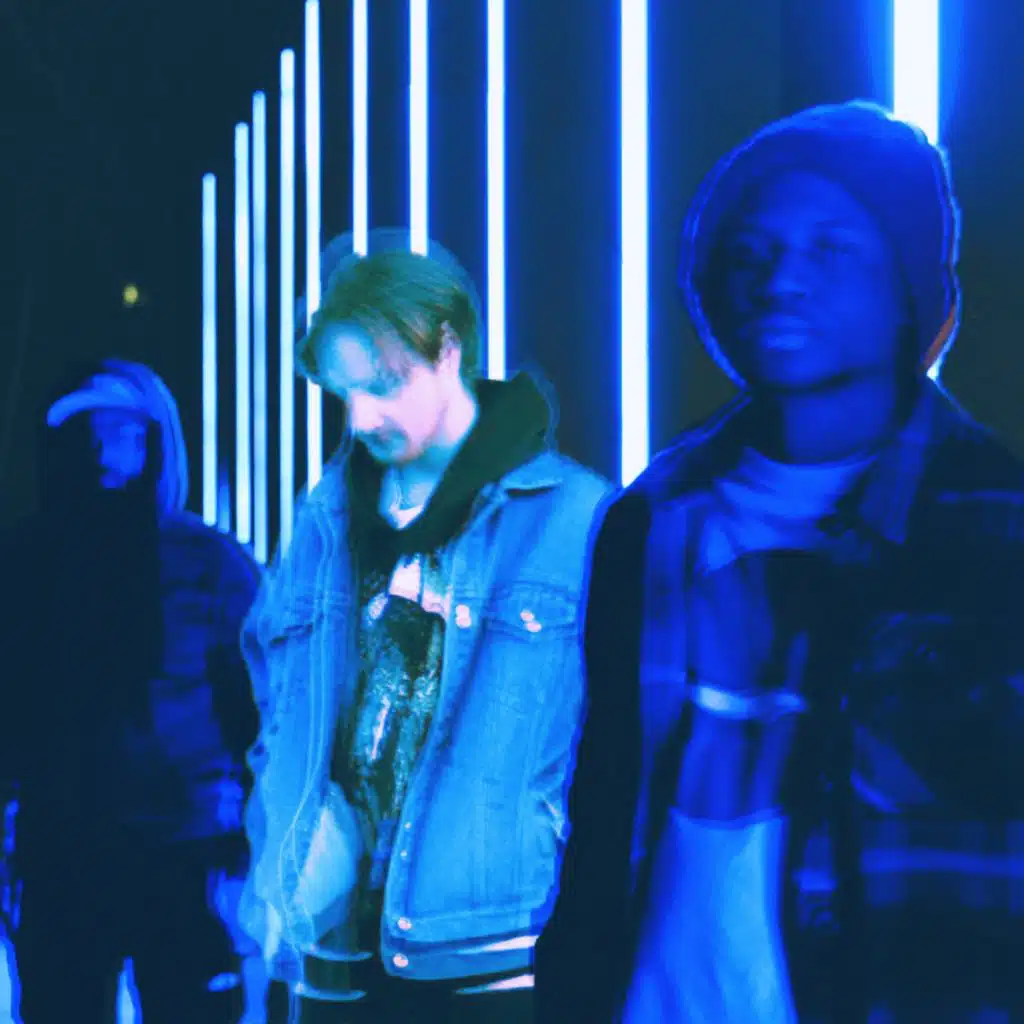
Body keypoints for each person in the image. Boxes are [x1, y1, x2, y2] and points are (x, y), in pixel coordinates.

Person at [535, 101, 1024, 1023]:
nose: (781, 279)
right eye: (751, 253)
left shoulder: (993, 524)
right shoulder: (648, 520)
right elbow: (605, 809)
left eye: (832, 248)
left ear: (911, 288)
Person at [239, 230, 612, 1024]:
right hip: (332, 948)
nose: (362, 415)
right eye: (344, 392)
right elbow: (278, 715)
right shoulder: (326, 520)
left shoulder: (571, 519)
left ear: (447, 349)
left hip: (489, 949)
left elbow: (616, 745)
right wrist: (279, 869)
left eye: (382, 384)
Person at [0, 358, 263, 1024]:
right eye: (85, 432)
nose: (101, 449)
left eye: (120, 430)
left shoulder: (209, 564)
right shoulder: (23, 564)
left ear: (155, 442)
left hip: (185, 851)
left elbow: (262, 710)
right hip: (65, 846)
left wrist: (250, 844)